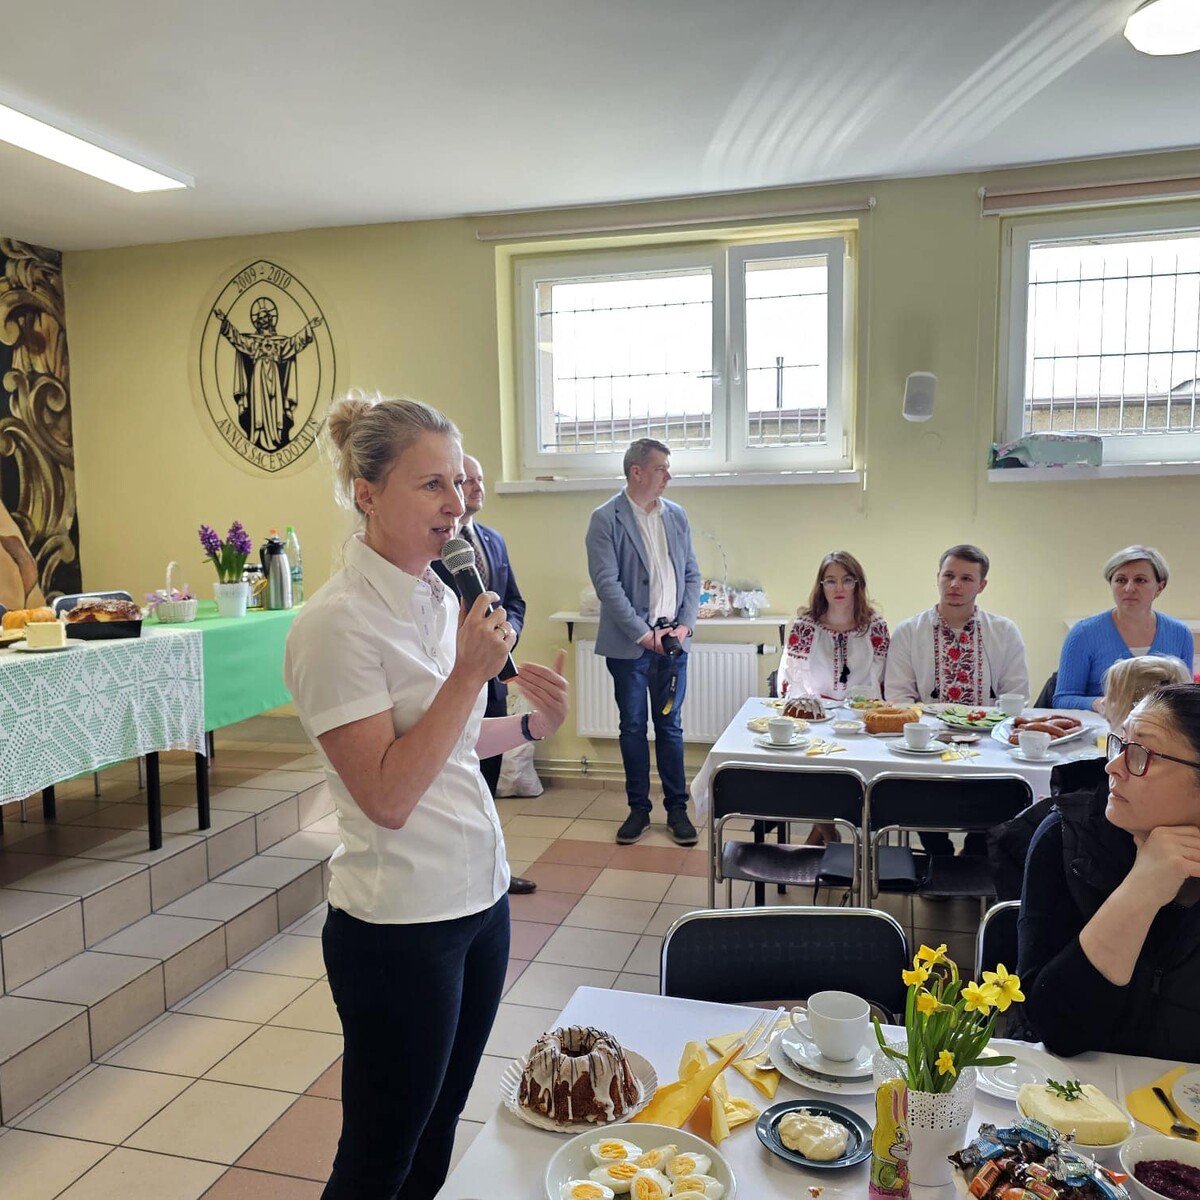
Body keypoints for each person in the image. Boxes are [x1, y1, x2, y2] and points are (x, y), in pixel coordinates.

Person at [283, 391, 568, 1199]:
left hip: (479, 897)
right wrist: (469, 675)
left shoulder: (441, 596)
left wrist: (529, 729)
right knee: (380, 1153)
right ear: (366, 493)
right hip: (401, 925)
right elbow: (388, 794)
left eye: (458, 483)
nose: (457, 503)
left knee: (439, 1124)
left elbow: (447, 748)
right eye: (431, 485)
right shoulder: (335, 626)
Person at [1018, 683, 1200, 1060]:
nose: (1111, 766)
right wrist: (1141, 889)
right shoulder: (1067, 839)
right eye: (1119, 745)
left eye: (1140, 755)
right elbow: (1056, 1030)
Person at [585, 437, 701, 846]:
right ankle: (638, 809)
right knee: (633, 727)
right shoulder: (605, 519)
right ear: (636, 472)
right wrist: (642, 633)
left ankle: (677, 810)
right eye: (661, 468)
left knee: (670, 727)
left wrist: (684, 627)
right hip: (631, 646)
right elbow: (607, 585)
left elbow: (691, 575)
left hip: (674, 644)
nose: (668, 476)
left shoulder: (677, 516)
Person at [431, 452, 537, 896]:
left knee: (486, 770)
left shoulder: (492, 540)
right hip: (451, 673)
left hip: (493, 672)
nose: (472, 489)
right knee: (455, 770)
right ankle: (456, 863)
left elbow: (514, 600)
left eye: (476, 481)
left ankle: (492, 857)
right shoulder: (437, 548)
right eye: (463, 480)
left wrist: (505, 636)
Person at [886, 544, 1029, 857]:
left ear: (982, 585)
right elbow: (898, 697)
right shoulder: (909, 631)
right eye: (949, 575)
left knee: (1006, 793)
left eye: (966, 578)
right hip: (928, 740)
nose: (955, 584)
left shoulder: (1004, 631)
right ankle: (938, 854)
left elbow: (1015, 695)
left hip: (988, 743)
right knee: (913, 787)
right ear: (937, 577)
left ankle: (976, 856)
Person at [1054, 545, 1194, 713]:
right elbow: (1062, 699)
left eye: (1140, 580)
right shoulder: (1083, 634)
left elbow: (1186, 700)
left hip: (1159, 732)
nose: (1129, 588)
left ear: (1159, 587)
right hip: (1102, 733)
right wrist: (1096, 703)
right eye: (1121, 580)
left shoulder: (1180, 634)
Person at [212, 298, 323, 452]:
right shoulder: (252, 341)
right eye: (260, 318)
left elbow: (293, 344)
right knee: (258, 403)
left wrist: (309, 327)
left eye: (266, 317)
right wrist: (225, 321)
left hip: (275, 377)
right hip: (258, 376)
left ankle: (276, 436)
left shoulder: (279, 342)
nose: (264, 320)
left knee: (276, 404)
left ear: (271, 319)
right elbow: (237, 339)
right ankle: (259, 433)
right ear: (256, 322)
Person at [777, 550, 889, 702]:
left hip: (864, 715)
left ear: (858, 584)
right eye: (831, 581)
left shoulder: (875, 627)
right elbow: (791, 681)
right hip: (816, 716)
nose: (839, 588)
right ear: (821, 586)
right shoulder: (805, 628)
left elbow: (884, 681)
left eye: (847, 580)